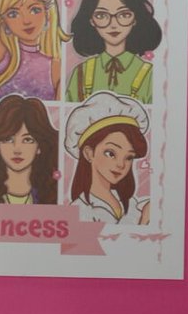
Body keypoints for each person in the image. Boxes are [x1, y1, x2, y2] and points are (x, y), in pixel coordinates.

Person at [65, 0, 162, 104]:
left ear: (135, 18)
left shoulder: (150, 74)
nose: (113, 24)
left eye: (124, 14)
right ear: (91, 20)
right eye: (101, 15)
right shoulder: (80, 73)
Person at [64, 95, 151, 228]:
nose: (121, 164)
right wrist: (144, 221)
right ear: (89, 153)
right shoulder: (80, 210)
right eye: (110, 153)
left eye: (129, 157)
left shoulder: (129, 201)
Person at [0, 96, 58, 205]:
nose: (17, 150)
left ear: (39, 147)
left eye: (27, 140)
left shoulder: (52, 193)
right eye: (8, 139)